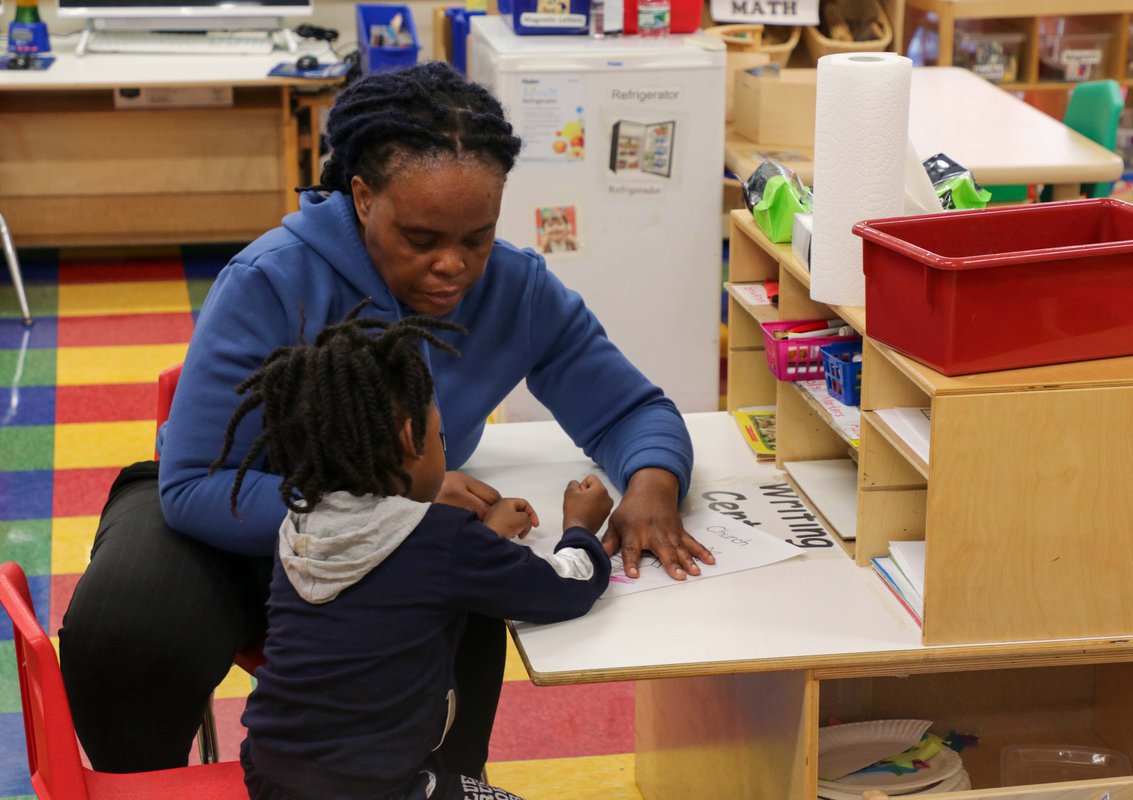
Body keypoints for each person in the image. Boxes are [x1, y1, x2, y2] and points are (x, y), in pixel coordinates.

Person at [58, 60, 714, 777]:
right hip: (226, 521)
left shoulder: (516, 289)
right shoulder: (269, 280)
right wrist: (392, 504)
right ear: (363, 198)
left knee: (461, 608)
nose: (453, 266)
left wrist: (653, 483)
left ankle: (442, 786)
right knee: (126, 632)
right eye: (422, 237)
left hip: (384, 548)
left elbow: (630, 408)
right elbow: (192, 487)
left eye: (477, 236)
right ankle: (140, 787)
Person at [221, 310, 613, 800]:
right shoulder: (443, 539)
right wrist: (580, 526)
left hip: (270, 774)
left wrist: (483, 537)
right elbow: (563, 589)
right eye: (440, 434)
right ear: (413, 438)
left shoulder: (298, 524)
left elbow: (403, 574)